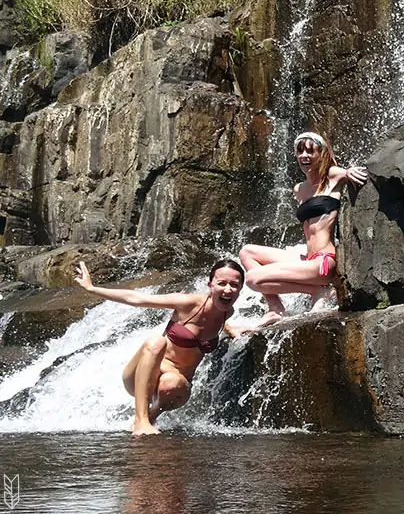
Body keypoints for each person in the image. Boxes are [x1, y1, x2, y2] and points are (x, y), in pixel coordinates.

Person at [72, 259, 247, 436]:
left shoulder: (227, 311)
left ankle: (151, 417)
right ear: (210, 285)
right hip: (142, 375)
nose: (227, 289)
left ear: (240, 288)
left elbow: (215, 323)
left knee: (173, 383)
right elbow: (137, 299)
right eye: (221, 283)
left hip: (175, 388)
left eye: (234, 285)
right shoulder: (188, 303)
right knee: (157, 342)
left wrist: (232, 329)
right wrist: (91, 288)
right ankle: (140, 421)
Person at [240, 131, 368, 325]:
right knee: (247, 252)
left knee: (252, 278)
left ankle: (316, 290)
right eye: (300, 151)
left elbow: (348, 173)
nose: (304, 156)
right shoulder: (300, 189)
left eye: (310, 150)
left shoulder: (332, 176)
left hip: (323, 262)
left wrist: (351, 172)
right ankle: (275, 309)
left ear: (322, 153)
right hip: (307, 260)